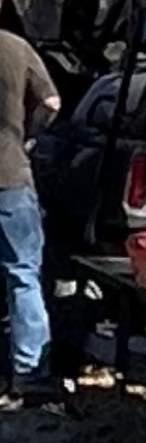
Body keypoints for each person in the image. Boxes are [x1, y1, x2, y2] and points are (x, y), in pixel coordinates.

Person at [0, 25, 59, 399]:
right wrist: (29, 137)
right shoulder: (16, 47)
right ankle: (30, 371)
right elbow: (51, 103)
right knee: (22, 273)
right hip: (9, 174)